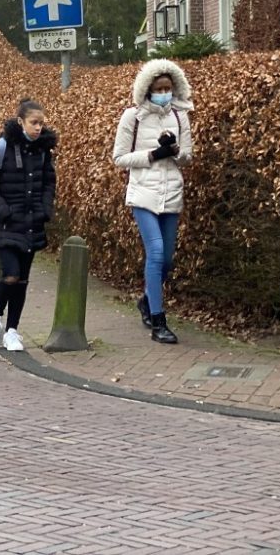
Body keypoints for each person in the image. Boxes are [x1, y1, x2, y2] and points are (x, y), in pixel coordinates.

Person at [112, 58, 193, 345]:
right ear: (147, 90)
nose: (164, 93)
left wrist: (172, 150)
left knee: (167, 260)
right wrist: (152, 155)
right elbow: (119, 158)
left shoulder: (181, 116)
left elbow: (187, 157)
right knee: (156, 253)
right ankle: (159, 322)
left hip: (171, 194)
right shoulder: (132, 117)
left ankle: (147, 299)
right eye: (158, 88)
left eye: (168, 88)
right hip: (143, 195)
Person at [0, 99, 58, 352]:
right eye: (34, 123)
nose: (38, 128)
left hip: (32, 223)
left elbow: (49, 183)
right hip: (6, 224)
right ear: (21, 122)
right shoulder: (1, 148)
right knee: (10, 274)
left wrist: (44, 209)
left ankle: (12, 331)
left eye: (41, 123)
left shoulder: (44, 152)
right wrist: (2, 210)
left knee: (22, 280)